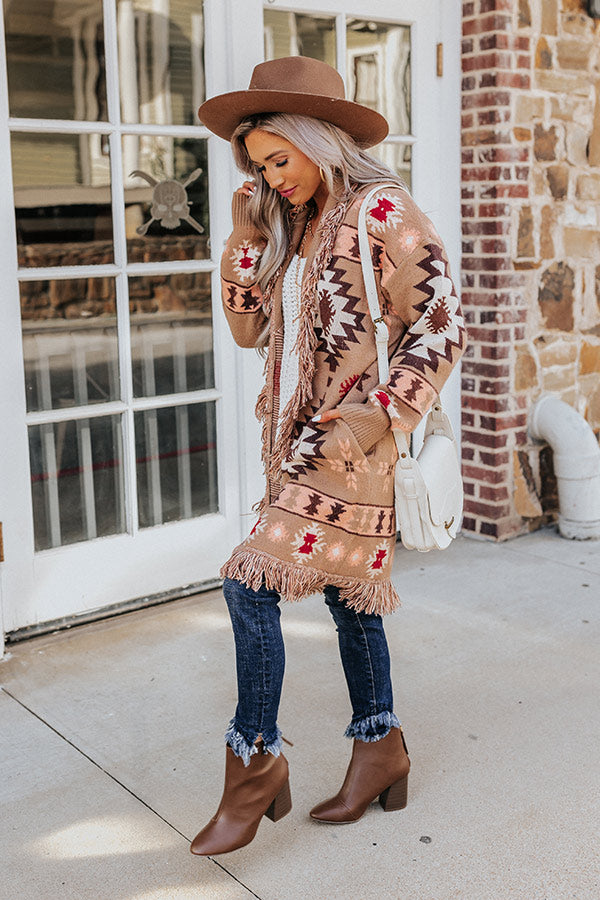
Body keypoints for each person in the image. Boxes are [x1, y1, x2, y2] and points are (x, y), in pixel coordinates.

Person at [191, 56, 466, 855]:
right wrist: (247, 239)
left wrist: (372, 420)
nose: (271, 179)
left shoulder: (384, 211)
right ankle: (381, 748)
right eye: (259, 167)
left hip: (354, 447)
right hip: (299, 444)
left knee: (248, 582)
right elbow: (249, 330)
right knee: (351, 601)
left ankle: (254, 763)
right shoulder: (295, 223)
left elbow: (441, 323)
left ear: (319, 140)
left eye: (280, 159)